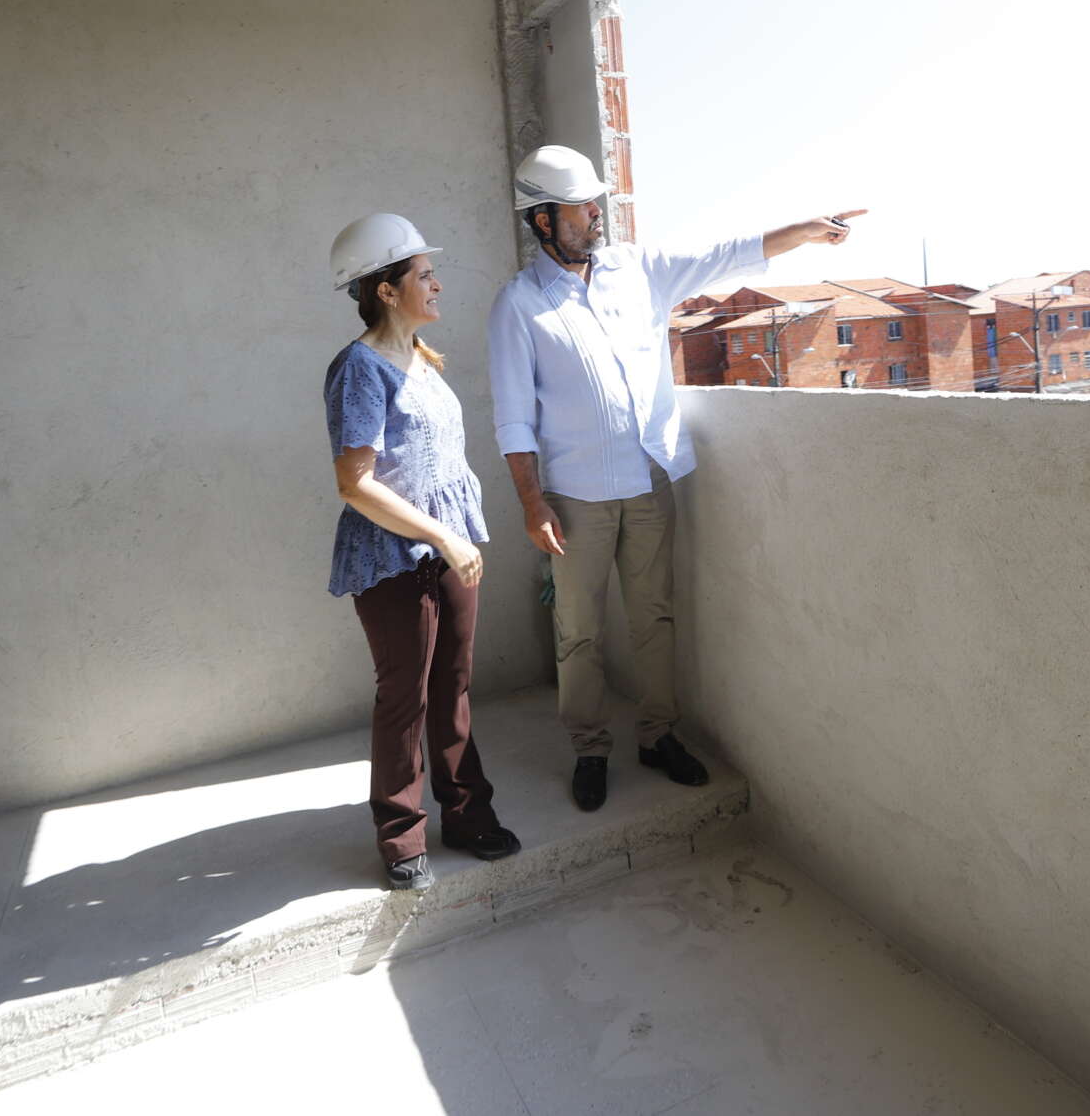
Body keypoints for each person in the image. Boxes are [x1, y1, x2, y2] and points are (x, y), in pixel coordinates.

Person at [487, 145, 864, 811]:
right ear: (542, 220)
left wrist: (804, 230)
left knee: (654, 616)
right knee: (579, 628)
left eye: (595, 202)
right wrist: (531, 501)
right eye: (580, 207)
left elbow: (724, 253)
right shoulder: (518, 305)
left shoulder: (636, 270)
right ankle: (589, 747)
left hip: (649, 479)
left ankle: (658, 734)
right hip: (574, 496)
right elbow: (514, 417)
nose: (594, 215)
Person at [325, 213, 519, 891]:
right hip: (393, 561)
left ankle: (467, 814)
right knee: (404, 696)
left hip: (450, 549)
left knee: (453, 688)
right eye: (422, 274)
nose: (437, 282)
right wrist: (441, 535)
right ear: (385, 288)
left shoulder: (423, 359)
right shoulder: (360, 369)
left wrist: (455, 536)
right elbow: (355, 482)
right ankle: (402, 836)